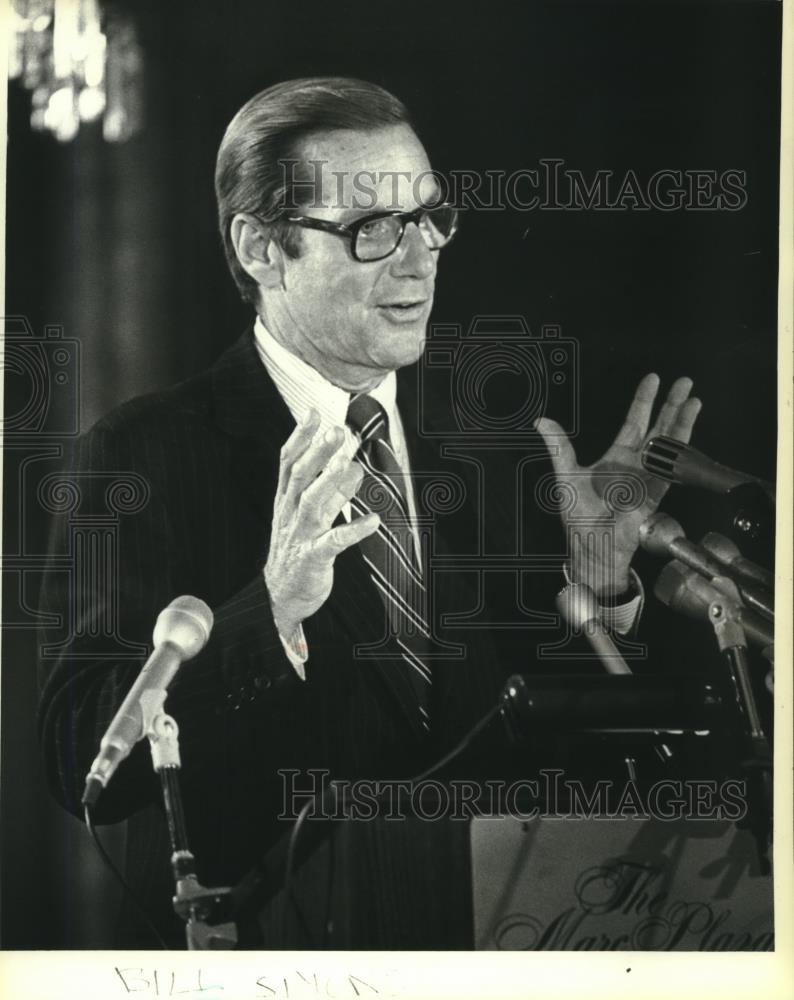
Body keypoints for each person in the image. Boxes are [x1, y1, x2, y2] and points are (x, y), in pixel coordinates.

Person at [37, 77, 702, 948]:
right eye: (373, 229)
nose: (422, 255)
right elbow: (84, 756)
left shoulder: (486, 459)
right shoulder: (144, 453)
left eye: (430, 216)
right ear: (263, 249)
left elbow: (547, 754)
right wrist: (267, 610)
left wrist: (600, 586)